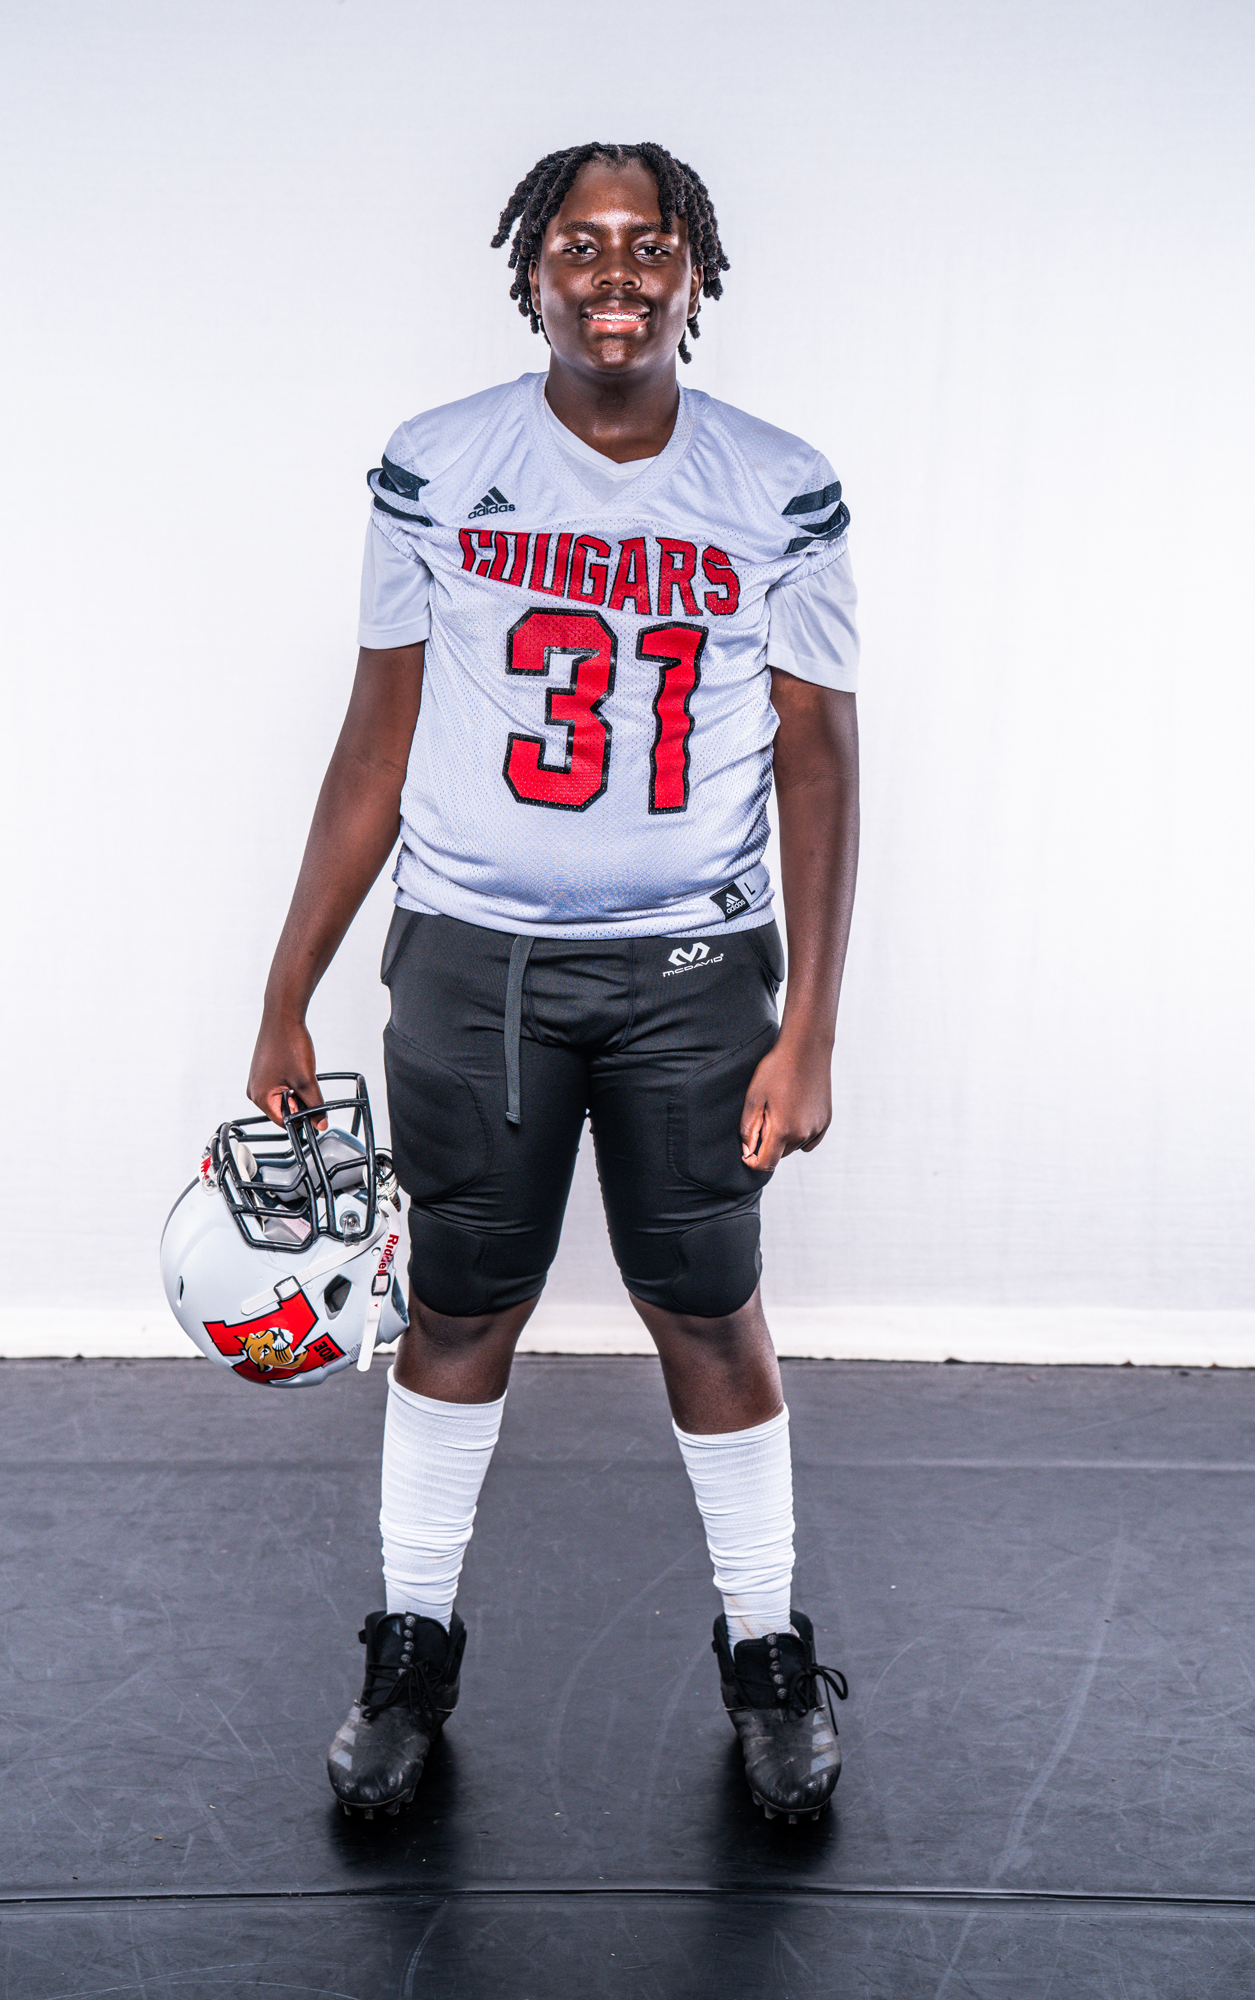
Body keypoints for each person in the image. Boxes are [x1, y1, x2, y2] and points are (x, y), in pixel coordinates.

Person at [247, 142, 859, 1824]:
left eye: (646, 244)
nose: (613, 274)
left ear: (692, 275)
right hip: (473, 960)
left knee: (707, 1309)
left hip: (690, 969)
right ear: (529, 273)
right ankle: (408, 1653)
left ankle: (766, 1653)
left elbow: (817, 758)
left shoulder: (777, 482)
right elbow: (375, 739)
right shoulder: (440, 466)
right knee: (458, 1307)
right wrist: (285, 987)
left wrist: (810, 1022)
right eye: (578, 244)